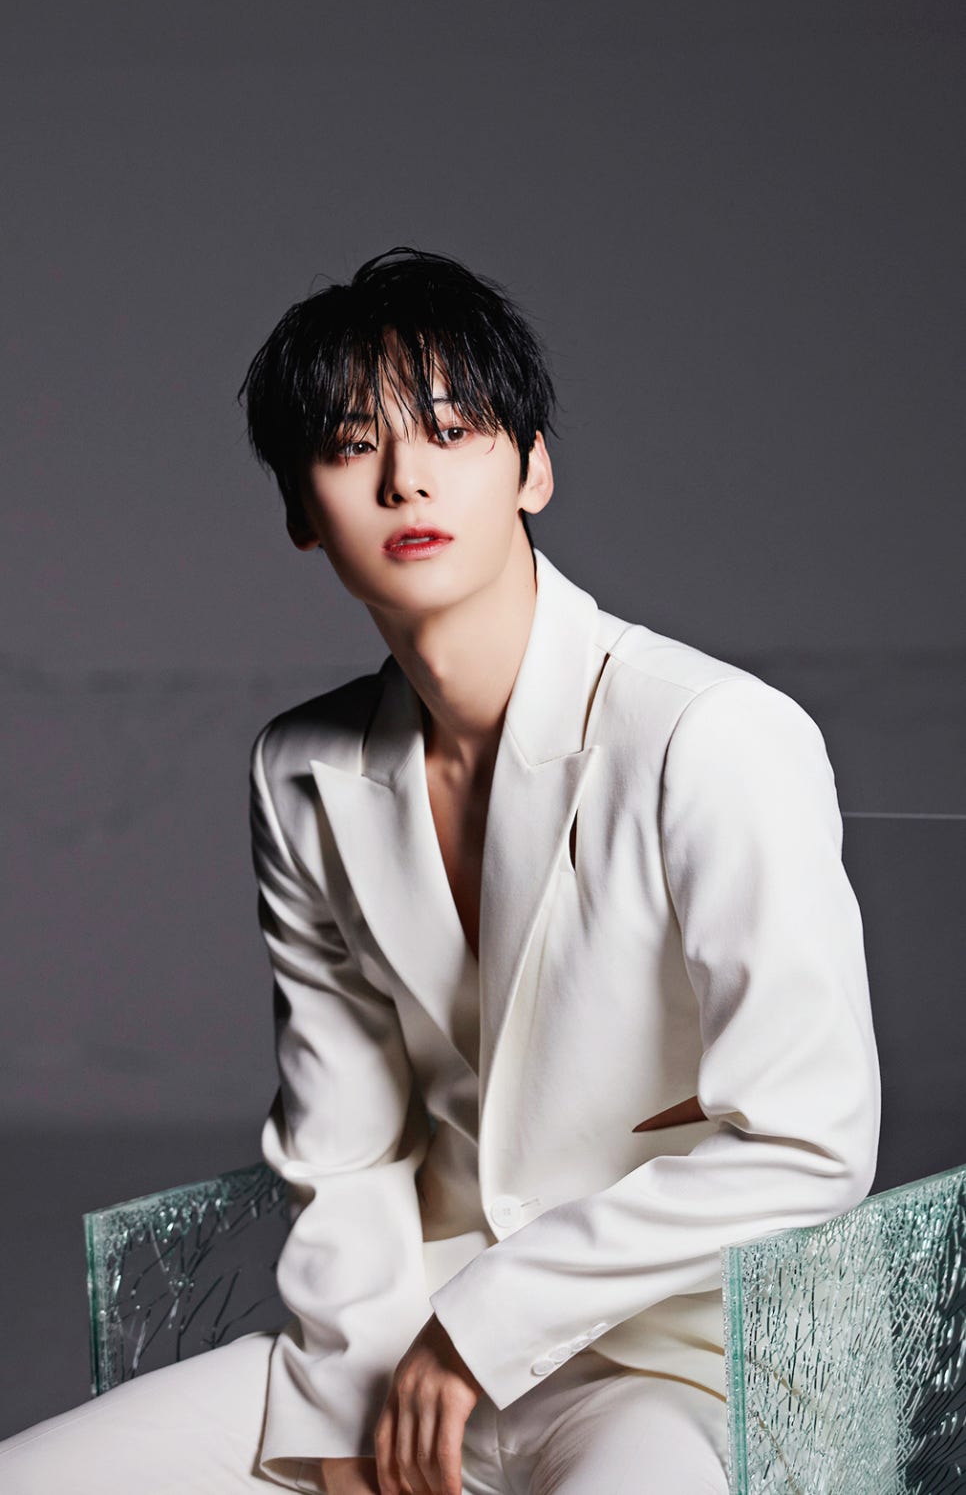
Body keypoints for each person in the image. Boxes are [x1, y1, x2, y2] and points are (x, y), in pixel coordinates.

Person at [0, 244, 881, 1495]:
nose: (406, 477)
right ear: (302, 515)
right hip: (394, 1348)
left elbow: (809, 1144)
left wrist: (486, 1325)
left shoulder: (711, 734)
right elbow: (346, 1148)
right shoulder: (301, 770)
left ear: (533, 468)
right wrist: (345, 1409)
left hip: (677, 1363)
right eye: (352, 446)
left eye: (453, 431)